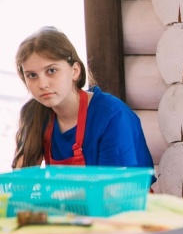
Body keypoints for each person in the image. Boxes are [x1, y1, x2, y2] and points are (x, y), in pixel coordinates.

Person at [12, 26, 155, 182]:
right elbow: (20, 184)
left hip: (124, 197)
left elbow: (114, 190)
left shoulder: (113, 117)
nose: (42, 84)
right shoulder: (34, 114)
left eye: (51, 71)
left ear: (75, 71)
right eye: (32, 75)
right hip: (65, 198)